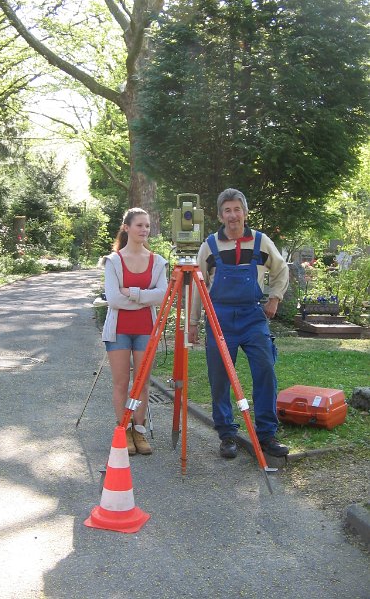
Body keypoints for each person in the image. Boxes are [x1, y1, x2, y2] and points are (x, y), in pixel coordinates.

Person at [188, 188, 289, 458]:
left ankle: (267, 434)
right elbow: (198, 286)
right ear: (221, 216)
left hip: (252, 317)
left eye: (237, 209)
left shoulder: (260, 241)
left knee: (265, 370)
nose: (233, 215)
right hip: (219, 319)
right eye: (227, 210)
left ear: (245, 212)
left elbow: (282, 270)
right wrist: (193, 323)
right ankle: (227, 435)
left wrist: (274, 299)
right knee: (220, 379)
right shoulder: (209, 245)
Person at [102, 208, 168, 455]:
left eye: (147, 226)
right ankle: (123, 430)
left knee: (141, 384)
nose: (144, 230)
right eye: (139, 225)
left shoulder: (158, 261)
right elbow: (114, 299)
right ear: (126, 228)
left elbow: (163, 295)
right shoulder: (114, 261)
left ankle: (139, 431)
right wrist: (145, 298)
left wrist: (135, 293)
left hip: (145, 330)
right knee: (121, 382)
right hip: (118, 330)